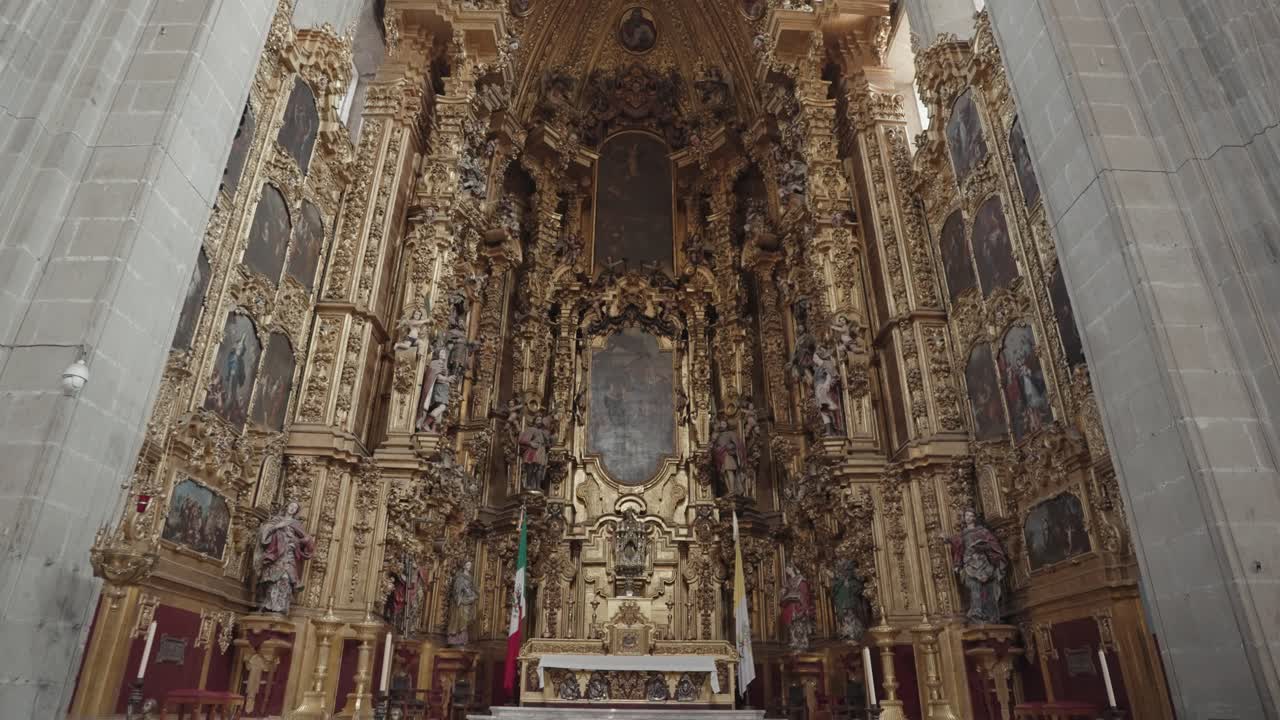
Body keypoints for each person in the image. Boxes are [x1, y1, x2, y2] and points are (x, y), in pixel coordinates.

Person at [944, 509, 1009, 624]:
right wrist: (957, 563)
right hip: (970, 564)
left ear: (974, 518)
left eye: (970, 516)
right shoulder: (963, 534)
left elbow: (992, 544)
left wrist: (984, 548)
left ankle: (991, 614)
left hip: (983, 563)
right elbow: (958, 546)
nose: (968, 518)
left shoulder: (983, 531)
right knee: (974, 587)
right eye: (966, 515)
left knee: (988, 588)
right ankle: (976, 612)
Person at [254, 502, 315, 614]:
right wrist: (276, 527)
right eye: (291, 506)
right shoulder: (277, 520)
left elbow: (308, 540)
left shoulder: (296, 524)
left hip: (289, 555)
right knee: (273, 580)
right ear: (286, 507)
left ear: (296, 511)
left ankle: (281, 608)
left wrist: (296, 542)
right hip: (276, 554)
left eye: (295, 508)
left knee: (286, 579)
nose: (292, 509)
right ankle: (269, 606)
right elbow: (264, 534)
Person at [446, 561, 479, 645]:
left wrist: (472, 595)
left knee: (465, 619)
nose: (469, 566)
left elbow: (474, 589)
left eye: (470, 565)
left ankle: (462, 637)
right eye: (468, 565)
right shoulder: (460, 577)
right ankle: (456, 636)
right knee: (459, 617)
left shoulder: (471, 577)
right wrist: (459, 595)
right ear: (464, 566)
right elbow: (456, 589)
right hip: (461, 601)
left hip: (468, 601)